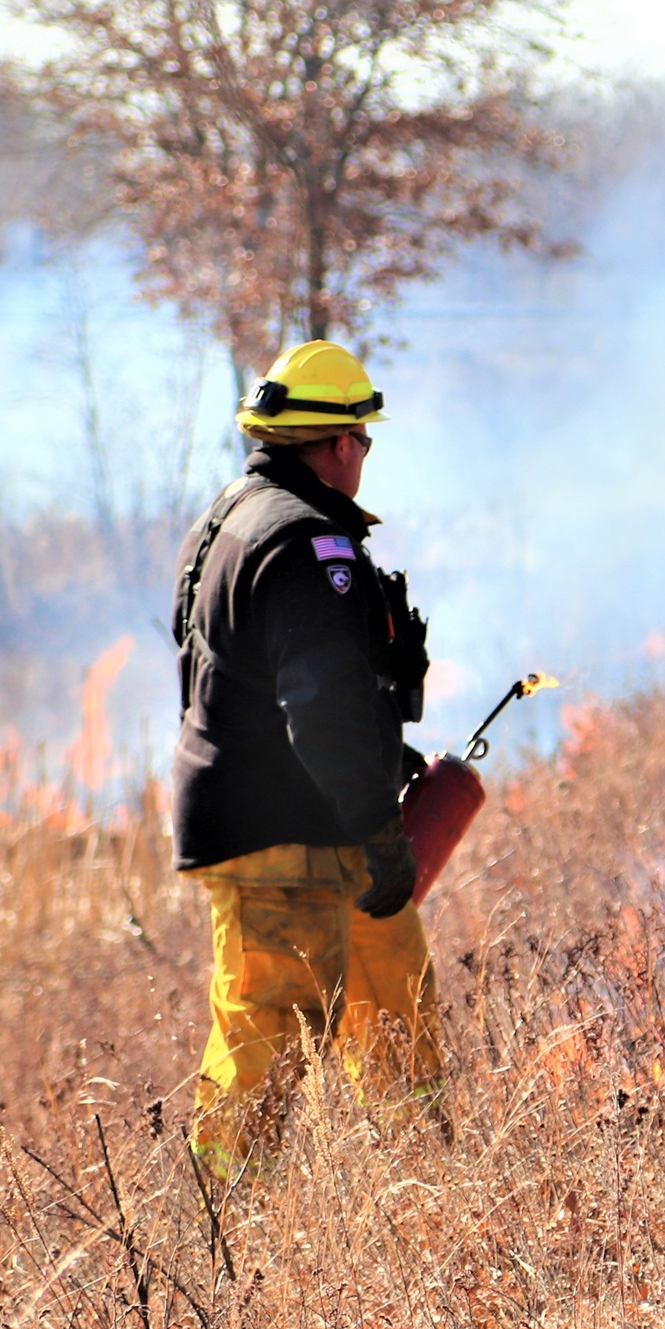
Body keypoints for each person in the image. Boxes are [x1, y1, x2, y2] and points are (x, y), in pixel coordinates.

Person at [171, 339, 441, 1178]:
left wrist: (381, 761)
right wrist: (378, 825)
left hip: (320, 824)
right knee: (269, 1036)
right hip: (286, 833)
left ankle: (425, 1187)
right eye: (363, 437)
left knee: (397, 1001)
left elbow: (267, 681)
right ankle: (218, 1232)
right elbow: (318, 708)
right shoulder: (303, 545)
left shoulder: (232, 518)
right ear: (336, 444)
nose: (365, 453)